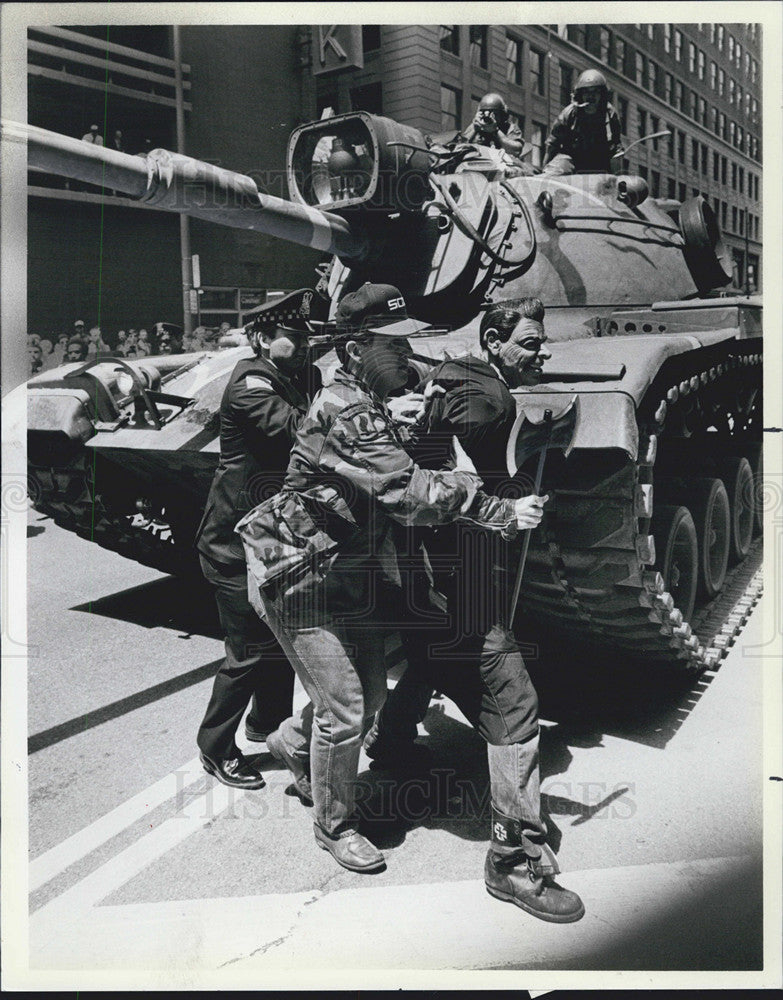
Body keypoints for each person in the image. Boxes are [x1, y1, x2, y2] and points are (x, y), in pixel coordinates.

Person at [237, 283, 547, 875]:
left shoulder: (365, 401)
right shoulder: (347, 411)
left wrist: (401, 417)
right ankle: (334, 824)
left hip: (341, 568)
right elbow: (406, 492)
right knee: (350, 708)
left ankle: (294, 745)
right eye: (393, 347)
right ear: (355, 351)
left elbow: (380, 462)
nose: (407, 358)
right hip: (296, 576)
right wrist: (501, 510)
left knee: (373, 695)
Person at [364, 297, 585, 923]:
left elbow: (441, 453)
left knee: (433, 658)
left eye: (540, 344)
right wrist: (506, 507)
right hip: (455, 577)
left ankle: (384, 736)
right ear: (493, 340)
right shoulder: (488, 400)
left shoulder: (458, 376)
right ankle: (513, 860)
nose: (540, 353)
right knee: (515, 704)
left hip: (417, 571)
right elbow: (432, 477)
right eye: (529, 343)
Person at [195, 288, 325, 789]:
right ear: (263, 338)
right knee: (247, 650)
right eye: (295, 335)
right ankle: (215, 746)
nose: (305, 340)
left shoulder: (293, 374)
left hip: (271, 533)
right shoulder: (252, 383)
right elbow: (298, 430)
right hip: (233, 539)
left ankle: (267, 724)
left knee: (280, 634)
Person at [543, 68, 622, 175]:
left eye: (595, 92)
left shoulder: (610, 114)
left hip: (600, 161)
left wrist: (617, 177)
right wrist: (544, 169)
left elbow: (616, 149)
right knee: (552, 172)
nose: (591, 96)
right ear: (580, 95)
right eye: (586, 92)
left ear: (602, 95)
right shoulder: (569, 113)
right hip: (571, 158)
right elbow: (553, 144)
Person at [464, 93, 525, 158]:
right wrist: (474, 129)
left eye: (494, 114)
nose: (489, 117)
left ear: (502, 115)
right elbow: (459, 148)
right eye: (484, 113)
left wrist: (496, 131)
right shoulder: (476, 126)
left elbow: (515, 150)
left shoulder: (510, 128)